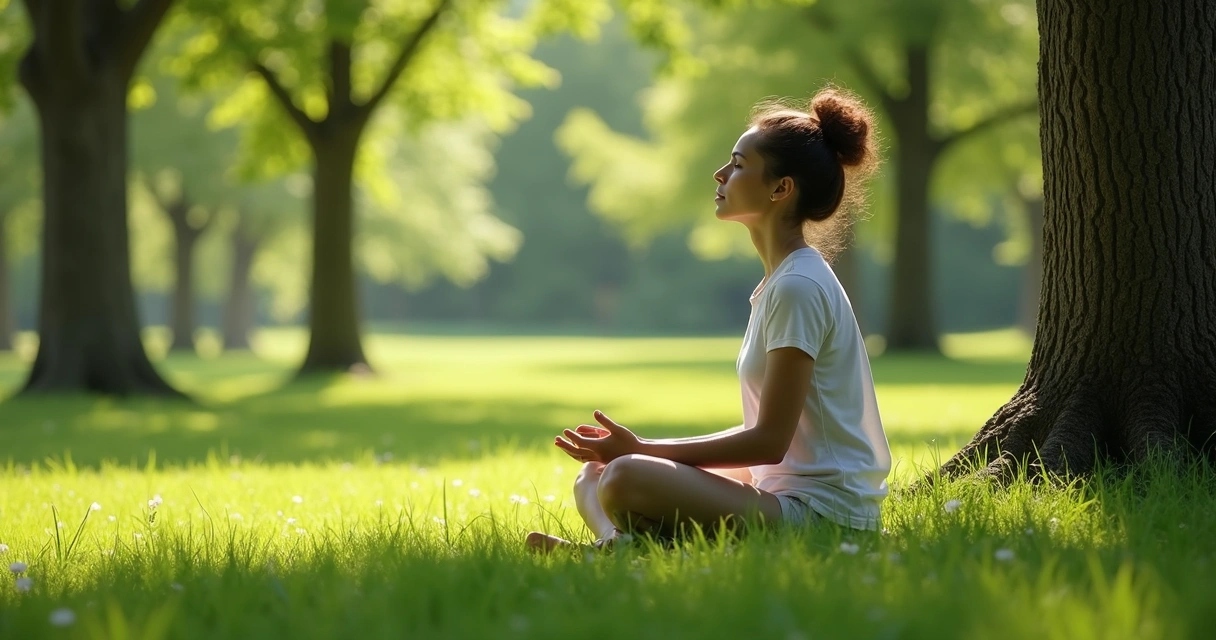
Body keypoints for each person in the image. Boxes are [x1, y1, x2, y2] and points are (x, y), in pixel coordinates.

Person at [527, 87, 892, 552]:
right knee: (595, 474)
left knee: (623, 476)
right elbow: (768, 440)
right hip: (778, 488)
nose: (720, 173)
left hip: (825, 516)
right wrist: (642, 450)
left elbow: (769, 441)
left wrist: (642, 450)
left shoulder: (799, 287)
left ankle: (615, 550)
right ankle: (619, 547)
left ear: (781, 189)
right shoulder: (783, 281)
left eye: (738, 164)